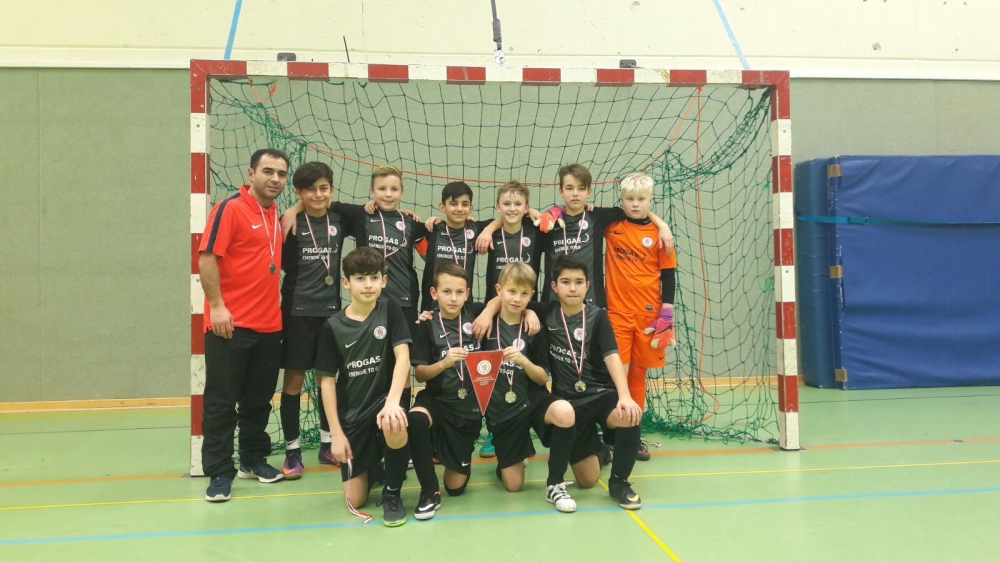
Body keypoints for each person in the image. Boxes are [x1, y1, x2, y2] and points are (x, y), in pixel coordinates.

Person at [199, 148, 289, 502]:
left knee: (258, 401)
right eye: (268, 171)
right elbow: (207, 257)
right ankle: (219, 472)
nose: (275, 179)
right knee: (221, 403)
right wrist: (217, 307)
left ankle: (252, 459)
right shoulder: (229, 209)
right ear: (251, 174)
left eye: (281, 174)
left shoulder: (275, 212)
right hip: (229, 326)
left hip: (269, 326)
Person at [313, 248, 413, 527]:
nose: (368, 285)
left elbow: (403, 358)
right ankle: (374, 468)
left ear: (384, 280)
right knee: (355, 500)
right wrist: (335, 434)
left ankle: (392, 493)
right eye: (360, 278)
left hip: (385, 401)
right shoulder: (332, 327)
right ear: (346, 283)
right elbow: (326, 381)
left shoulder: (390, 310)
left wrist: (393, 402)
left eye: (373, 278)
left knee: (394, 421)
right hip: (353, 414)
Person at [543, 255, 645, 509]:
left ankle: (619, 482)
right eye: (565, 282)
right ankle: (603, 450)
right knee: (587, 480)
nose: (573, 288)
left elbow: (612, 355)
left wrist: (624, 395)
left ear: (587, 285)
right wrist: (492, 311)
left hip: (600, 394)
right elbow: (509, 300)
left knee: (630, 416)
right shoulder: (545, 313)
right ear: (554, 286)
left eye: (579, 282)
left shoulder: (598, 316)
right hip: (570, 404)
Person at [478, 263, 578, 512]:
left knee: (565, 412)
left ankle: (555, 484)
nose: (517, 298)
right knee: (513, 486)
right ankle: (511, 456)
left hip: (532, 400)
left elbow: (543, 379)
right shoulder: (483, 322)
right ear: (499, 290)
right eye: (512, 291)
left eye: (524, 294)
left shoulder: (534, 328)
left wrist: (524, 361)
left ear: (531, 295)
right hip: (503, 411)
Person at [277, 162, 352, 477]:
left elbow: (375, 211)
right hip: (297, 312)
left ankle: (327, 444)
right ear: (299, 192)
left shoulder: (341, 218)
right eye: (310, 189)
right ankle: (292, 451)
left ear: (331, 190)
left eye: (323, 188)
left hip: (331, 313)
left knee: (327, 379)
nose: (318, 194)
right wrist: (293, 211)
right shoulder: (289, 223)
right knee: (294, 380)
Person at [604, 172, 677, 462]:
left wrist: (666, 315)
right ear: (622, 200)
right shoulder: (611, 226)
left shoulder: (660, 236)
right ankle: (612, 436)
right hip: (617, 315)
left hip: (649, 317)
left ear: (650, 200)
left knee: (637, 375)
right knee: (617, 375)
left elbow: (668, 275)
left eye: (641, 199)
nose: (635, 204)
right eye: (630, 199)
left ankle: (632, 435)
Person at [533, 164, 674, 308]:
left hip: (591, 304)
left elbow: (634, 210)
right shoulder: (549, 223)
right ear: (561, 191)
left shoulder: (598, 217)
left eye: (581, 188)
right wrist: (534, 210)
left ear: (589, 192)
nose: (575, 193)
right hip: (553, 304)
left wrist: (662, 225)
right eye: (569, 188)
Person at [407, 263, 486, 520]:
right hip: (437, 401)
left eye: (459, 292)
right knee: (415, 420)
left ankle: (443, 451)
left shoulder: (477, 315)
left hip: (466, 410)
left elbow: (505, 301)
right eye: (446, 291)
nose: (453, 298)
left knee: (455, 488)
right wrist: (444, 363)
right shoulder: (426, 324)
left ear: (467, 293)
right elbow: (420, 374)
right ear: (434, 293)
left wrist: (527, 314)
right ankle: (429, 491)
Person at [419, 182, 482, 311]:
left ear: (471, 208)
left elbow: (504, 220)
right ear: (442, 207)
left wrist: (488, 231)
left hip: (463, 304)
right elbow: (400, 221)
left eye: (465, 204)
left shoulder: (475, 230)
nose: (459, 209)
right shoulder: (432, 229)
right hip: (431, 305)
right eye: (453, 204)